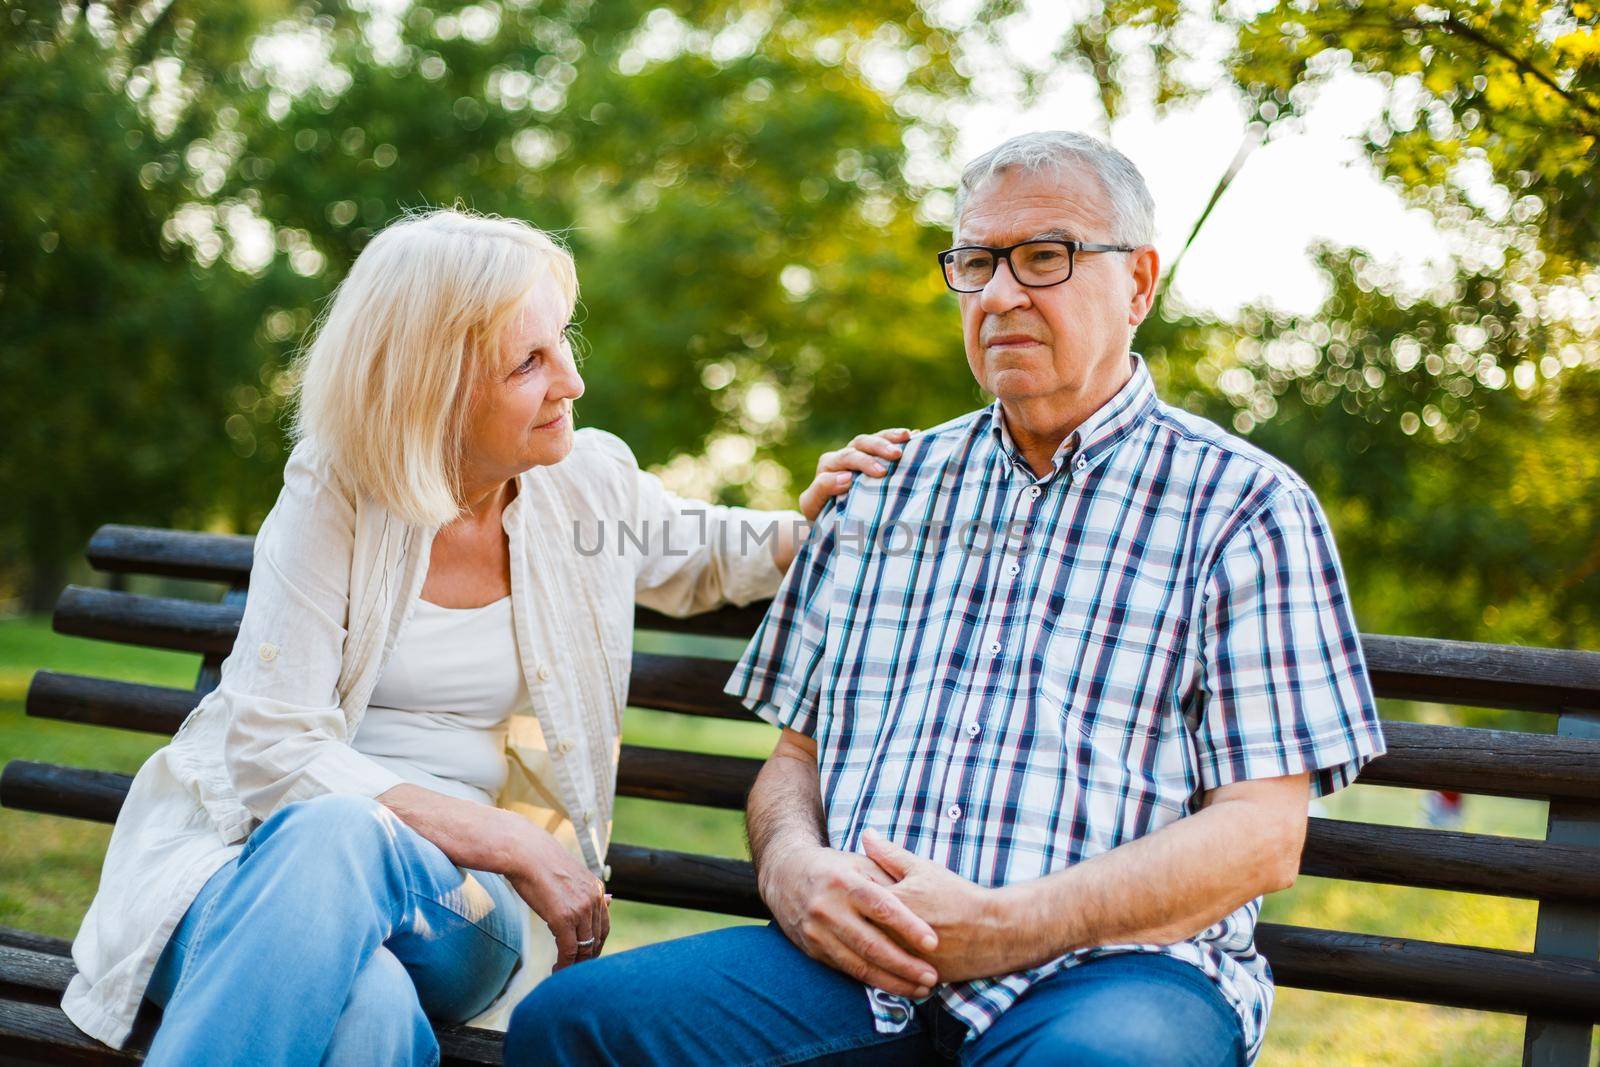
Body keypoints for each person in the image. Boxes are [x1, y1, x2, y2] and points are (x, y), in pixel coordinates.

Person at [506, 131, 1387, 1067]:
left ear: (1139, 284)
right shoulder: (884, 488)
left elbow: (1262, 837)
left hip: (1121, 973)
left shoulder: (1245, 506)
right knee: (573, 1026)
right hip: (858, 969)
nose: (1001, 293)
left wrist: (1005, 925)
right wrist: (795, 867)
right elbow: (792, 760)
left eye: (1046, 257)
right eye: (975, 261)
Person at [61, 207, 908, 1065]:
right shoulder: (337, 490)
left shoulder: (588, 486)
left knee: (340, 837)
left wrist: (818, 518)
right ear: (433, 385)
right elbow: (273, 749)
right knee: (369, 1010)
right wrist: (514, 837)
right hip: (246, 868)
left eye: (562, 342)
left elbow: (710, 555)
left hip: (466, 910)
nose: (571, 380)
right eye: (529, 362)